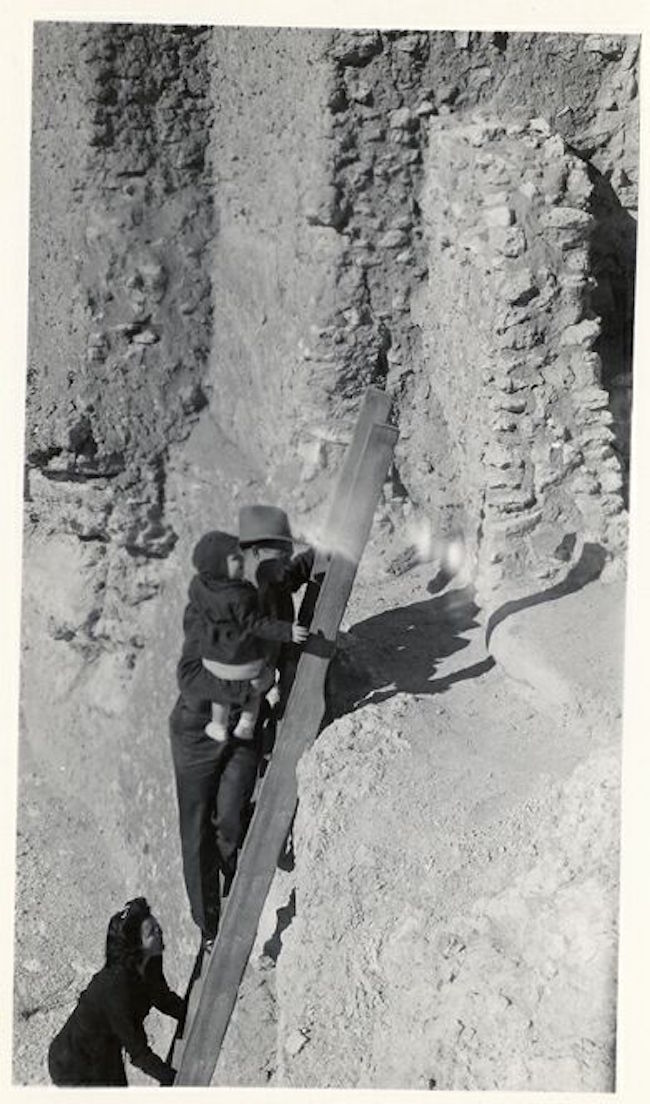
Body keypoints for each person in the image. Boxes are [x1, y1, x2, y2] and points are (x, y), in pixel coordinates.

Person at [177, 529, 307, 742]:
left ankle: (224, 725)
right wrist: (287, 632)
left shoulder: (201, 590)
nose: (241, 564)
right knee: (254, 691)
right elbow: (256, 624)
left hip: (216, 663)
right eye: (236, 559)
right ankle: (246, 726)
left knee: (226, 697)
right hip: (240, 666)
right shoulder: (242, 595)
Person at [48, 898, 182, 1087]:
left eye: (157, 926)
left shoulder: (150, 961)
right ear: (136, 945)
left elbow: (162, 997)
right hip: (74, 1064)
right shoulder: (115, 987)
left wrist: (193, 1015)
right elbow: (138, 1052)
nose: (160, 932)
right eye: (152, 932)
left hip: (106, 1046)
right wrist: (178, 1080)